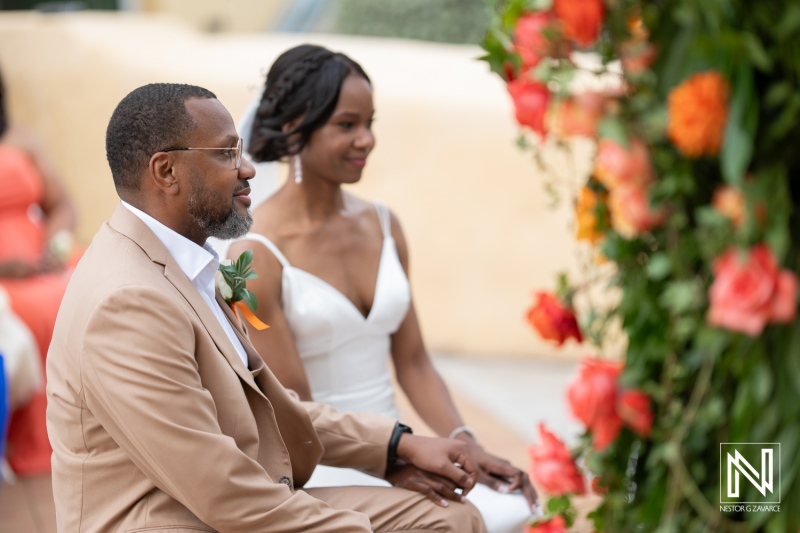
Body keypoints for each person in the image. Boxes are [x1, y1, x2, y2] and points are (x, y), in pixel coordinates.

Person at [45, 82, 487, 533]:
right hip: (178, 519)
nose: (250, 169)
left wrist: (396, 447)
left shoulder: (181, 262)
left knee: (449, 516)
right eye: (226, 154)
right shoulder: (127, 302)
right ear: (166, 171)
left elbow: (263, 408)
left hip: (235, 503)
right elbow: (221, 489)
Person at [228, 44, 538, 533]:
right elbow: (295, 410)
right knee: (458, 521)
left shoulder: (384, 224)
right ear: (295, 127)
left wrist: (464, 442)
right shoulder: (252, 258)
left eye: (371, 122)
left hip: (408, 448)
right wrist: (390, 463)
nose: (367, 139)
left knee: (516, 507)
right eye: (347, 125)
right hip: (328, 462)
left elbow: (413, 362)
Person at [0, 67, 78, 476]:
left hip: (42, 260)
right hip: (4, 279)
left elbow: (63, 204)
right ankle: (41, 441)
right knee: (42, 310)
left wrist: (54, 247)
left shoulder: (20, 137)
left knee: (98, 288)